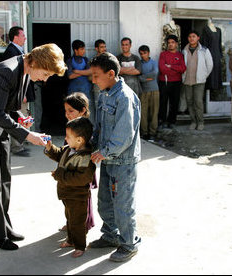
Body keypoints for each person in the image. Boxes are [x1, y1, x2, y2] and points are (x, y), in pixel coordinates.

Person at [0, 44, 67, 250]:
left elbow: (7, 105)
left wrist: (20, 118)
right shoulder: (6, 71)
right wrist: (28, 135)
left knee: (5, 178)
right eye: (45, 74)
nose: (45, 79)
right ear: (35, 62)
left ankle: (4, 226)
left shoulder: (25, 69)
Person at [89, 52, 141, 262]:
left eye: (96, 75)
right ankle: (110, 235)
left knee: (122, 204)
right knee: (105, 202)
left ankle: (129, 243)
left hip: (123, 161)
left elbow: (124, 135)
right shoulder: (105, 94)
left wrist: (104, 151)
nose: (93, 80)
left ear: (111, 74)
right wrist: (91, 143)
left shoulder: (124, 97)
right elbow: (100, 126)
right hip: (108, 159)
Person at [44, 116, 96, 258]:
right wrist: (50, 148)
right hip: (67, 194)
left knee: (77, 222)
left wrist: (59, 175)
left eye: (68, 136)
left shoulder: (86, 158)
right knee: (69, 218)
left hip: (78, 197)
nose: (65, 139)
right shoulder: (69, 148)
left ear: (79, 140)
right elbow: (59, 153)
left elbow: (81, 179)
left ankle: (80, 246)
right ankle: (71, 240)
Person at [58, 92, 97, 232]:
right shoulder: (72, 126)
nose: (67, 114)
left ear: (83, 111)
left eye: (71, 111)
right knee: (69, 198)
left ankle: (83, 225)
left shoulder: (85, 130)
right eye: (65, 111)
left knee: (82, 200)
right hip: (70, 170)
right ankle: (71, 222)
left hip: (80, 171)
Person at [2, 26, 35, 157]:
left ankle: (19, 144)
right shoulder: (11, 52)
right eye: (22, 35)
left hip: (20, 93)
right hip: (18, 94)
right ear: (15, 37)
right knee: (19, 118)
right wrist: (23, 94)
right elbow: (16, 76)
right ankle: (17, 147)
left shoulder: (17, 50)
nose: (25, 38)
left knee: (22, 118)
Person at [182, 30, 213, 130]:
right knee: (189, 102)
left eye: (194, 36)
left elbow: (210, 65)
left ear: (198, 38)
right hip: (187, 80)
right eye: (190, 36)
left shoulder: (204, 50)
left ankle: (200, 122)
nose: (191, 38)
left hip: (199, 81)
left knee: (198, 102)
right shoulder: (184, 50)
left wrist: (203, 75)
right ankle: (193, 121)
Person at [158, 34, 186, 129]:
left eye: (172, 42)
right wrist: (175, 69)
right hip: (164, 82)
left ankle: (172, 121)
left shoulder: (180, 55)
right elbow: (163, 69)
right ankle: (162, 121)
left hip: (176, 82)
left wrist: (171, 66)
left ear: (176, 44)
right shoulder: (163, 54)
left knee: (174, 103)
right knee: (163, 102)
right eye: (169, 43)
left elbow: (183, 69)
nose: (170, 44)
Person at [138, 45, 159, 141]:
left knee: (154, 112)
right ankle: (144, 132)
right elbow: (139, 78)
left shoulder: (153, 62)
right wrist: (147, 78)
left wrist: (144, 77)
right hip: (143, 91)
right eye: (141, 54)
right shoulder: (139, 64)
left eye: (144, 53)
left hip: (154, 90)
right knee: (143, 112)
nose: (143, 55)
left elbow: (155, 73)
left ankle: (153, 132)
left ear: (149, 53)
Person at [67, 40, 93, 116]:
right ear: (75, 50)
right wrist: (84, 72)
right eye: (82, 49)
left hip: (85, 89)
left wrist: (76, 71)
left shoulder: (86, 60)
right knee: (73, 109)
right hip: (73, 90)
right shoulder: (70, 61)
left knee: (85, 110)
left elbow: (90, 72)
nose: (84, 51)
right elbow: (70, 76)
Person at [90, 39, 107, 124]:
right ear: (96, 49)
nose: (104, 49)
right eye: (101, 47)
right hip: (97, 87)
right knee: (98, 107)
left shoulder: (109, 59)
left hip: (108, 87)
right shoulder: (93, 60)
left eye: (105, 47)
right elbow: (90, 75)